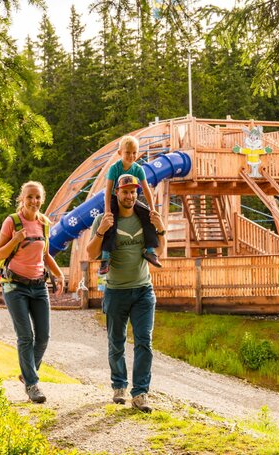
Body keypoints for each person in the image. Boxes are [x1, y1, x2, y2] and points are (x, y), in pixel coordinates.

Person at [87, 173, 167, 413]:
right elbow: (92, 254)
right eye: (125, 191)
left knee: (144, 342)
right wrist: (101, 231)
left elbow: (160, 251)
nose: (130, 195)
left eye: (133, 191)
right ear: (117, 193)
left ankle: (140, 393)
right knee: (116, 343)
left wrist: (161, 229)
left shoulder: (145, 218)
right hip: (115, 291)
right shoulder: (105, 218)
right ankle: (119, 386)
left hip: (143, 290)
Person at [0, 181, 64, 404]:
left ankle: (26, 375)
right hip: (15, 287)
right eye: (29, 197)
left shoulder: (44, 223)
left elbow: (45, 254)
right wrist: (15, 239)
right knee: (26, 337)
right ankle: (33, 384)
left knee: (43, 337)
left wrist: (59, 275)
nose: (33, 201)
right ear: (21, 199)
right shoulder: (12, 222)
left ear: (42, 199)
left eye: (37, 197)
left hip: (39, 286)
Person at [100, 135, 162, 275]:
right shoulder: (114, 168)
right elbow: (108, 190)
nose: (131, 155)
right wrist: (108, 209)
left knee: (147, 214)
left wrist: (152, 209)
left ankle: (151, 251)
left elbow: (146, 189)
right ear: (120, 153)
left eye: (134, 152)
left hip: (130, 198)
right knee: (111, 222)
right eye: (128, 152)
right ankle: (105, 257)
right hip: (116, 198)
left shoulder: (138, 168)